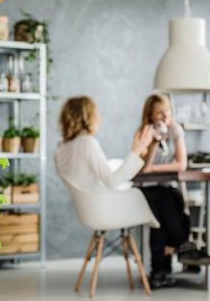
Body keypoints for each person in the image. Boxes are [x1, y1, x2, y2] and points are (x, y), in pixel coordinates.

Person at [55, 96, 185, 289]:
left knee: (166, 195)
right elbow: (112, 181)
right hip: (106, 209)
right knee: (165, 195)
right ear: (87, 117)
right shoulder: (87, 143)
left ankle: (168, 261)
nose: (100, 119)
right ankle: (182, 246)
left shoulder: (61, 148)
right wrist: (136, 150)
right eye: (96, 115)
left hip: (89, 209)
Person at [137, 93, 194, 284]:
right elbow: (143, 167)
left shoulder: (175, 130)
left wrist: (153, 168)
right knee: (166, 199)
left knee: (170, 204)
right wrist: (155, 140)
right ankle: (183, 246)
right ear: (150, 115)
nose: (164, 115)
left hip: (165, 191)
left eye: (167, 110)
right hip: (144, 191)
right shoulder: (144, 133)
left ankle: (159, 272)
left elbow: (181, 164)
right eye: (159, 112)